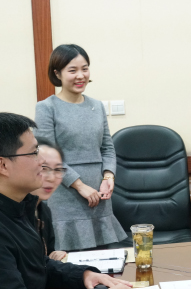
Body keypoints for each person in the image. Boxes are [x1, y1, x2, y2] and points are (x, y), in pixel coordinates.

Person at [0, 112, 147, 289]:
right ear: (3, 165)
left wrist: (84, 275)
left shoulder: (21, 208)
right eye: (33, 153)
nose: (42, 161)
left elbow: (38, 265)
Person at [35, 44, 128, 250]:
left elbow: (107, 147)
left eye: (84, 69)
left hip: (99, 195)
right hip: (65, 194)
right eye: (72, 70)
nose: (80, 76)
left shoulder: (97, 106)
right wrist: (79, 185)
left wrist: (108, 177)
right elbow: (46, 156)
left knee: (104, 259)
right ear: (57, 73)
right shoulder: (46, 107)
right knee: (68, 261)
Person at [29, 139, 67, 260]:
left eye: (58, 170)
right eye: (43, 168)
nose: (51, 178)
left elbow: (48, 254)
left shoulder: (44, 210)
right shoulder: (10, 214)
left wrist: (53, 258)